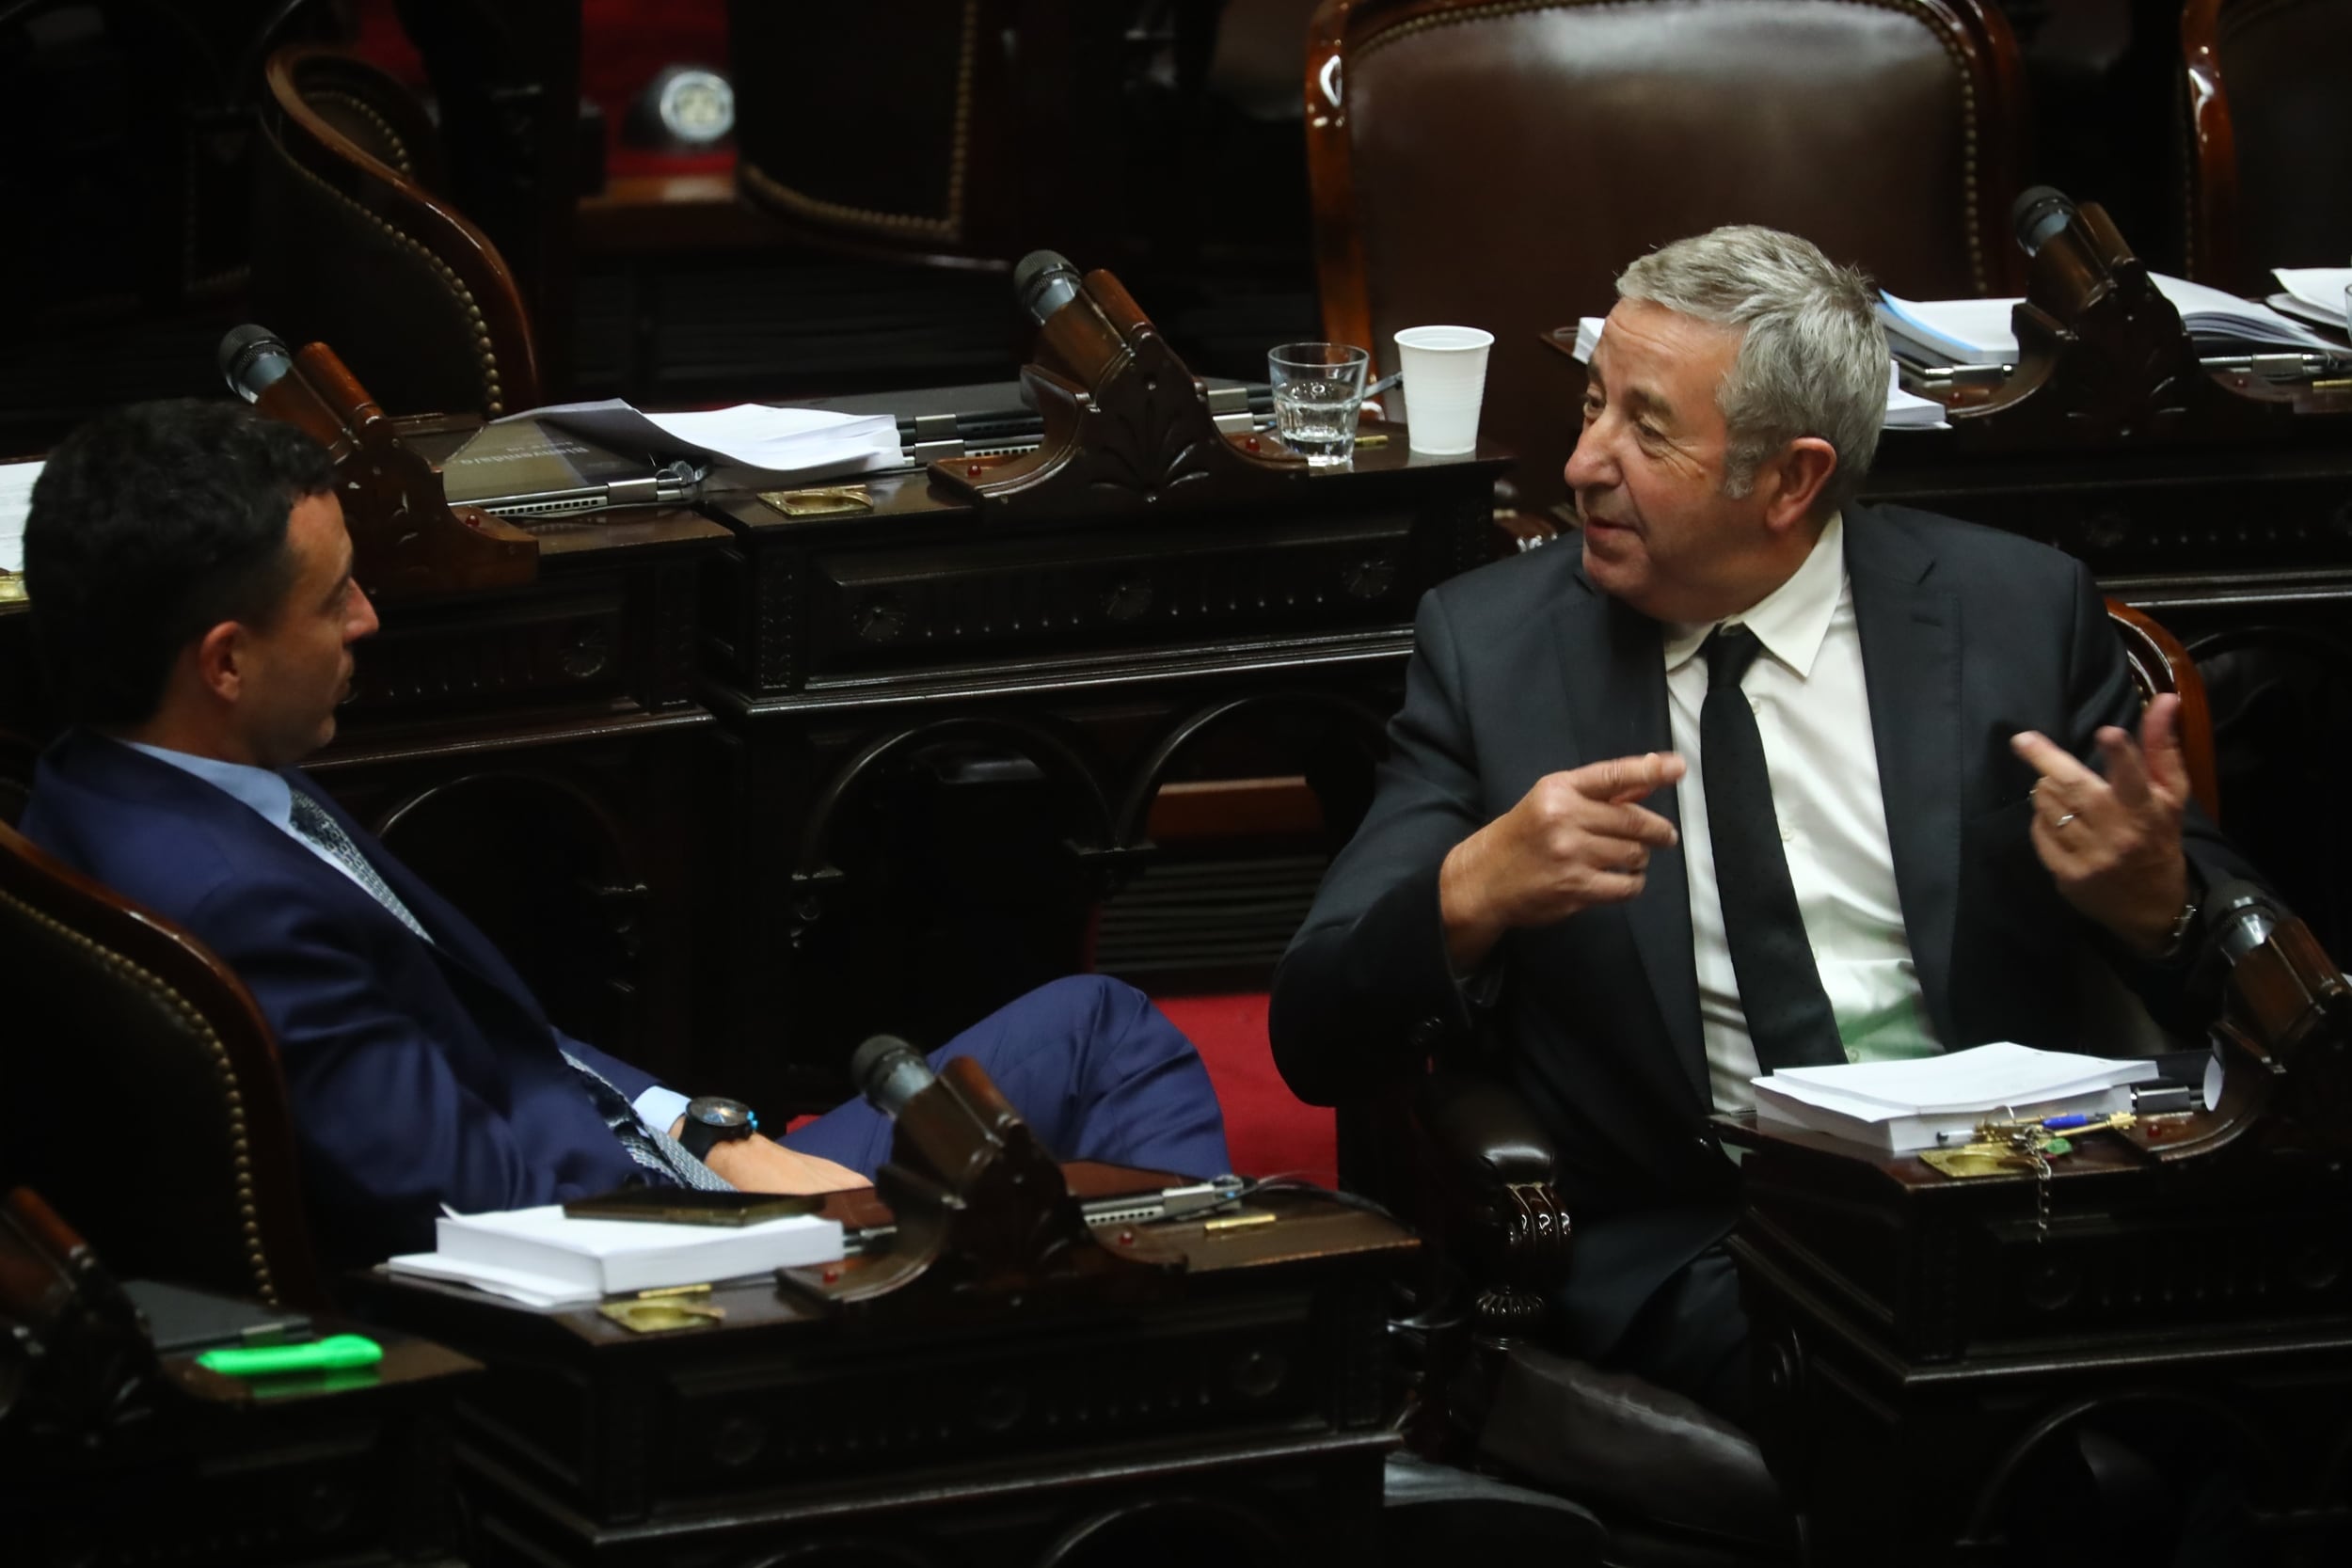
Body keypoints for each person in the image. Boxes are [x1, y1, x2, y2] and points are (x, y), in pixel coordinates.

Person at [1268, 225, 2261, 1423]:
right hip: (1717, 1248)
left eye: (1646, 429)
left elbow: (2266, 989)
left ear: (1791, 479)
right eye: (1591, 404)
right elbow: (1315, 1030)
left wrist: (2157, 908)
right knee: (1931, 1402)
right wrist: (1473, 888)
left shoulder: (2012, 615)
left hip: (2016, 1205)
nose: (1583, 462)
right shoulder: (1492, 653)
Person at [19, 399, 1230, 1273]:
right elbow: (479, 1204)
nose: (369, 618)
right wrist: (745, 1202)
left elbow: (505, 1044)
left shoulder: (115, 782)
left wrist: (711, 1128)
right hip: (656, 1263)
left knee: (1102, 1025)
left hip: (672, 1165)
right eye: (334, 594)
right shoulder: (228, 897)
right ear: (224, 661)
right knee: (1086, 1179)